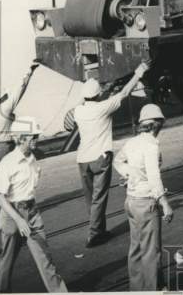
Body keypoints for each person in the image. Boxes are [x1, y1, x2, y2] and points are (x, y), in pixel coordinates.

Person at [67, 62, 149, 248]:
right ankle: (94, 235)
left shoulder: (79, 111)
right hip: (100, 158)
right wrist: (139, 72)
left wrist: (103, 90)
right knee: (99, 197)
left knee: (91, 199)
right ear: (98, 95)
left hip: (82, 160)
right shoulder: (104, 107)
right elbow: (125, 92)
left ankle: (100, 229)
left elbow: (89, 100)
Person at [0, 116, 67, 293]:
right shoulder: (7, 163)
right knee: (7, 260)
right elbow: (0, 198)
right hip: (12, 215)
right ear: (20, 138)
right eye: (32, 136)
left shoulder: (33, 159)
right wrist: (19, 220)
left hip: (31, 212)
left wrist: (28, 214)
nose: (36, 139)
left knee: (45, 257)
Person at [113, 104, 173, 292]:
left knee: (137, 250)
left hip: (131, 201)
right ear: (156, 124)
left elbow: (118, 160)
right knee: (151, 252)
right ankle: (153, 289)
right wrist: (165, 203)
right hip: (147, 203)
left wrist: (130, 174)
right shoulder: (151, 145)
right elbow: (154, 177)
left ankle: (137, 289)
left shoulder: (132, 142)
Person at [0, 64, 38, 221]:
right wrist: (30, 71)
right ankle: (13, 212)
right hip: (5, 148)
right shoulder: (5, 108)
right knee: (15, 180)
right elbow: (20, 90)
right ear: (2, 97)